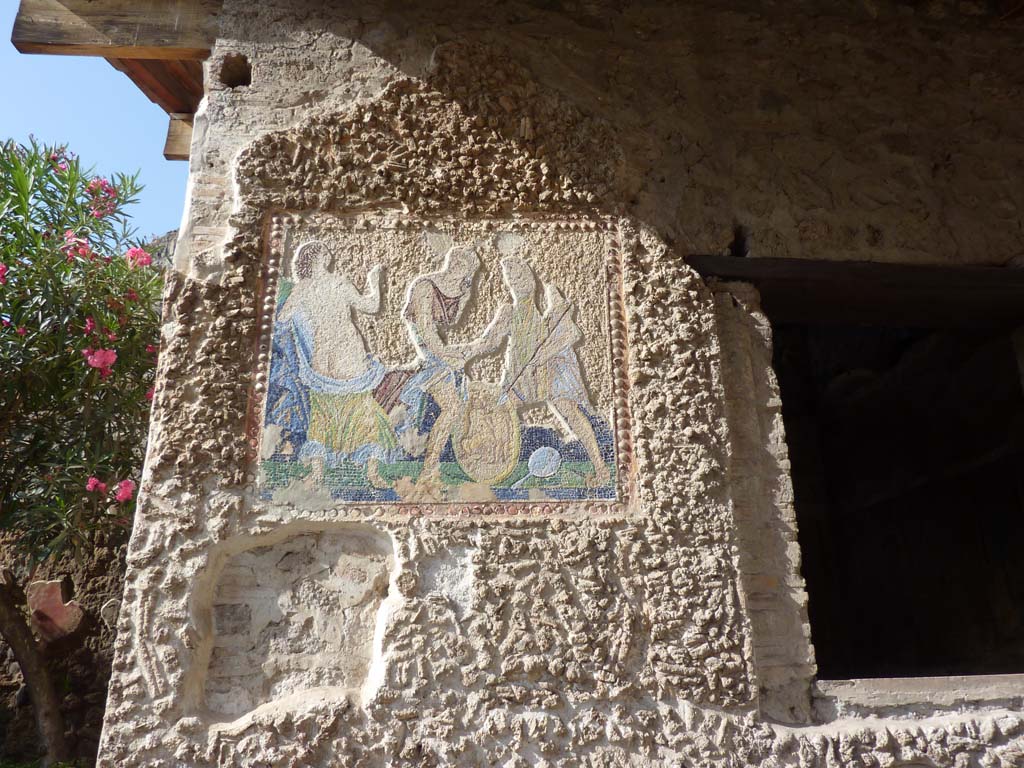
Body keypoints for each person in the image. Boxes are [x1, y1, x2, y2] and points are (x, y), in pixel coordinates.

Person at [464, 256, 611, 487]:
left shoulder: (551, 306)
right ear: (509, 284)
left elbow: (570, 333)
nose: (517, 281)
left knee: (570, 411)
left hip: (550, 373)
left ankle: (601, 469)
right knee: (500, 412)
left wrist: (542, 355)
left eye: (521, 275)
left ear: (532, 279)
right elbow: (489, 342)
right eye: (512, 278)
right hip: (522, 378)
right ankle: (493, 466)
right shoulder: (509, 312)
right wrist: (463, 353)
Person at [274, 241, 396, 486]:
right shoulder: (339, 282)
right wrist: (375, 282)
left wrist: (304, 332)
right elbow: (371, 306)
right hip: (347, 349)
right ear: (321, 258)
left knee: (322, 414)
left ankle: (317, 472)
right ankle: (372, 473)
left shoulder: (302, 289)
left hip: (321, 355)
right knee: (362, 410)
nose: (329, 255)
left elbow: (283, 319)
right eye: (326, 252)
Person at [389, 245, 481, 483]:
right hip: (427, 350)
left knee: (453, 407)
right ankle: (427, 465)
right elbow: (426, 331)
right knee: (452, 406)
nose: (458, 266)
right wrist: (448, 356)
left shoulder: (458, 290)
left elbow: (452, 323)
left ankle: (430, 464)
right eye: (456, 260)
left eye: (466, 266)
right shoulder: (425, 286)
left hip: (438, 351)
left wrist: (465, 297)